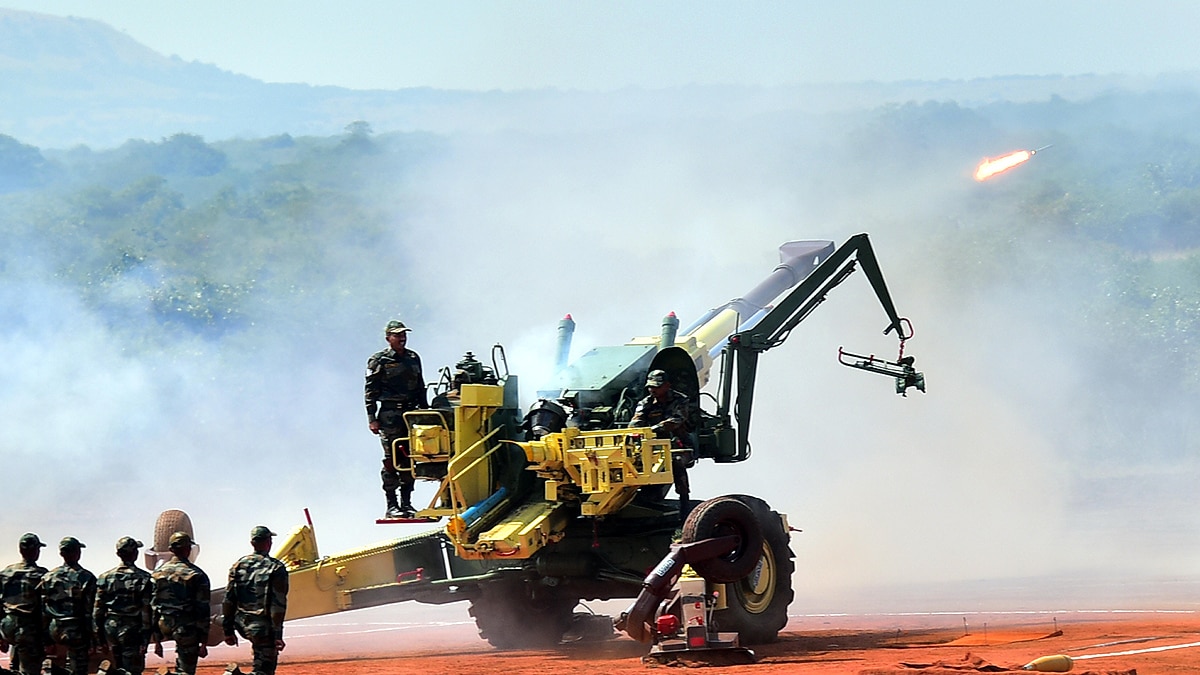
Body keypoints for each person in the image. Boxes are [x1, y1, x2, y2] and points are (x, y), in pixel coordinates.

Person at [365, 319, 429, 518]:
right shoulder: (379, 360)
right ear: (388, 338)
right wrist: (372, 418)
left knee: (410, 459)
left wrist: (425, 411)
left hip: (411, 415)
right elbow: (370, 391)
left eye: (404, 334)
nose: (402, 338)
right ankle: (392, 506)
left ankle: (407, 503)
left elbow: (420, 385)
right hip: (390, 416)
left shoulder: (413, 357)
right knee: (392, 460)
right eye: (398, 335)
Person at [629, 369, 695, 523]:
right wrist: (635, 431)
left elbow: (677, 419)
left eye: (657, 386)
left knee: (676, 462)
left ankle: (684, 504)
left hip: (679, 444)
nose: (653, 390)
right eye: (651, 387)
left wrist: (653, 429)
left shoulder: (680, 400)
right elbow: (636, 422)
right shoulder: (646, 403)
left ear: (667, 385)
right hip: (653, 446)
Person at [222, 526, 288, 675]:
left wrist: (228, 630)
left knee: (260, 663)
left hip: (242, 624)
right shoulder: (276, 568)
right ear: (268, 542)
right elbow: (278, 604)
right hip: (263, 628)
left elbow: (228, 599)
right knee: (264, 670)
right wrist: (278, 635)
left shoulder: (238, 565)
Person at [150, 532, 210, 675]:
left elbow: (152, 606)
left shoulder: (157, 574)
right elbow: (202, 609)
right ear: (188, 549)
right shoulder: (196, 575)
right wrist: (204, 640)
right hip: (186, 628)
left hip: (163, 625)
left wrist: (157, 640)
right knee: (186, 670)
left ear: (171, 550)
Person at [93, 537, 152, 675]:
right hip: (133, 631)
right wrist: (145, 639)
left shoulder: (105, 577)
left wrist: (100, 639)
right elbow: (146, 612)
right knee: (132, 670)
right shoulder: (144, 578)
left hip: (111, 629)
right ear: (135, 554)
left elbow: (98, 611)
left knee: (115, 668)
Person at [39, 537, 97, 675]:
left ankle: (53, 670)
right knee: (79, 667)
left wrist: (46, 639)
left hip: (55, 628)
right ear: (77, 553)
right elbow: (90, 611)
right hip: (77, 630)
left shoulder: (48, 577)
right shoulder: (87, 577)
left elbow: (43, 610)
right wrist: (94, 639)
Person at [0, 533, 49, 675]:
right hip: (28, 629)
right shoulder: (41, 575)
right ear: (35, 551)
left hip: (7, 626)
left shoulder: (5, 573)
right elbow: (45, 608)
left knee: (16, 662)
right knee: (30, 670)